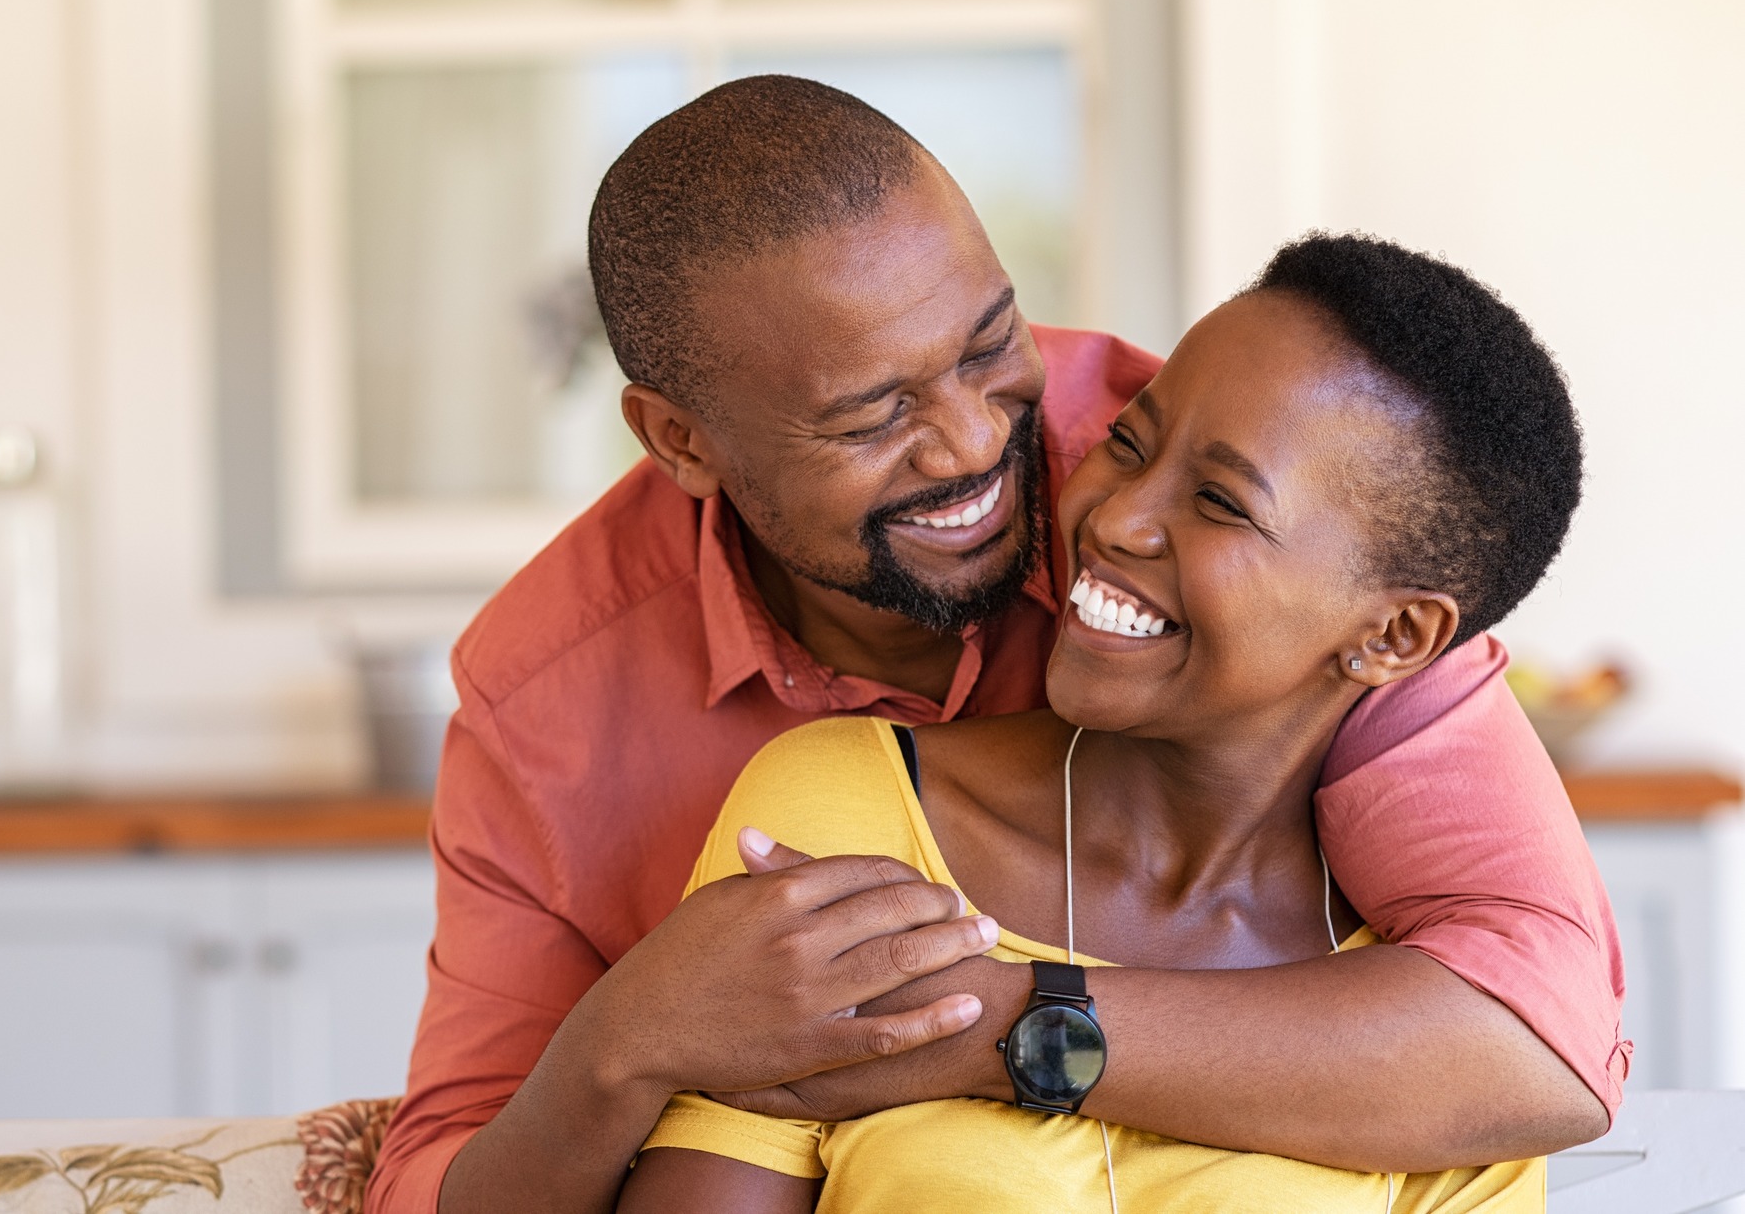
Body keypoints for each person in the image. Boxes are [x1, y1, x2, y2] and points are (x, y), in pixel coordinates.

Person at [367, 77, 1623, 1214]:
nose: (974, 444)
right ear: (682, 443)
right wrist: (626, 1040)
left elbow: (1540, 1030)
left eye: (986, 346)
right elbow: (446, 1179)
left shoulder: (1233, 498)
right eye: (874, 413)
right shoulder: (548, 697)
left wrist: (989, 1027)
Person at [618, 233, 1579, 1212]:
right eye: (1129, 440)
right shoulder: (855, 816)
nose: (1117, 518)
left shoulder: (1445, 1053)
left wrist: (991, 1031)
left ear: (1393, 635)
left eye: (1219, 501)